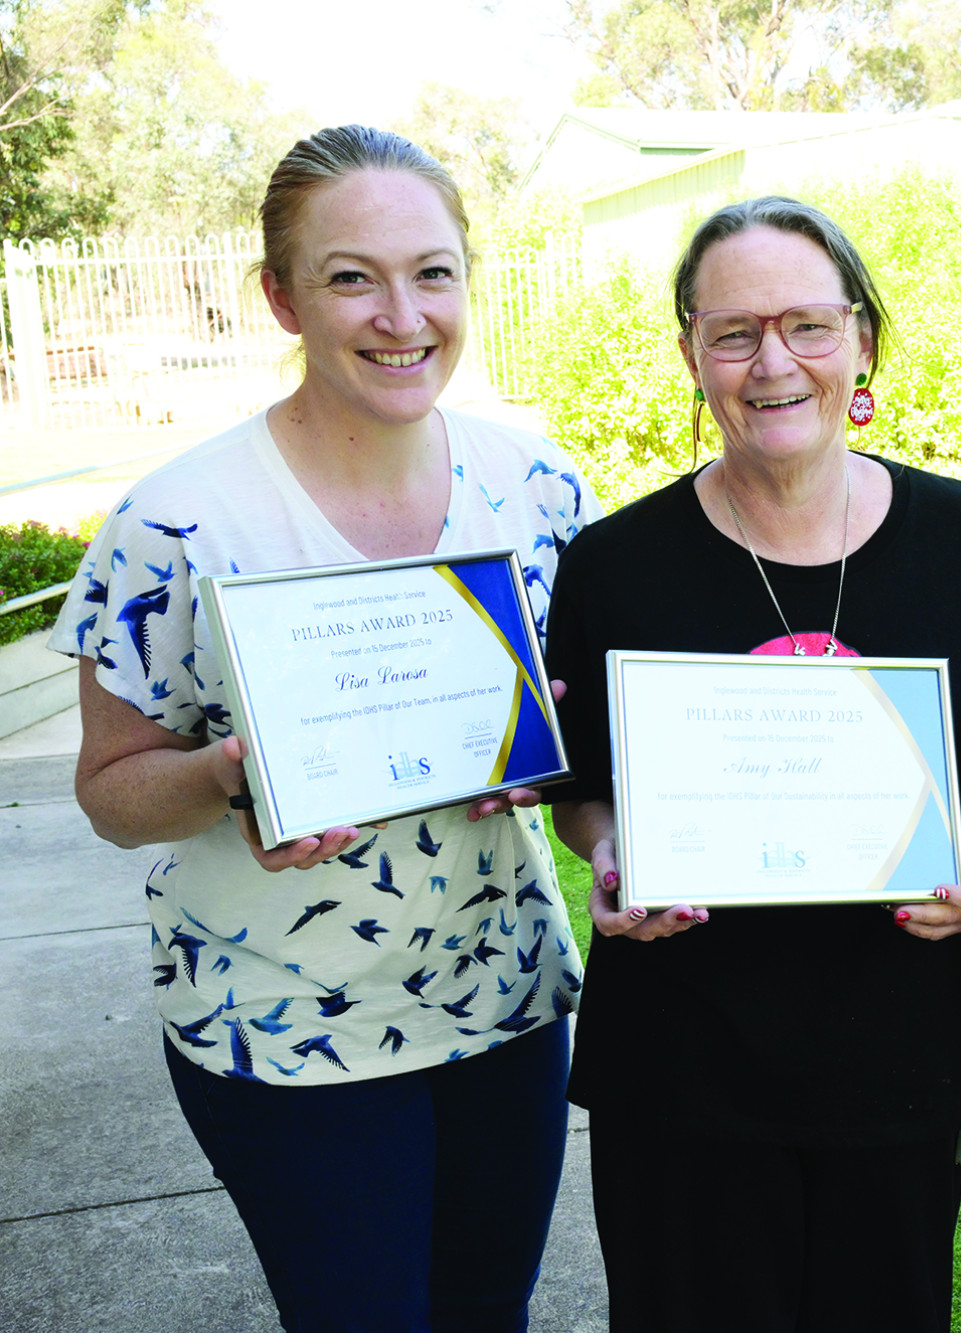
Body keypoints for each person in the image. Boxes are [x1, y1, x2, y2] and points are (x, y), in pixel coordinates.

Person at [51, 125, 599, 1331]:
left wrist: (554, 757)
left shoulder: (540, 490)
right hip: (282, 1018)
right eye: (352, 277)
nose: (402, 316)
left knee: (487, 1313)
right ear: (281, 297)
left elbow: (582, 734)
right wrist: (226, 777)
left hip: (500, 998)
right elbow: (109, 790)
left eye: (433, 272)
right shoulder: (177, 522)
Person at [541, 195, 961, 1332]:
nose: (773, 362)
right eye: (734, 332)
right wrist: (611, 857)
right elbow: (582, 790)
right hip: (683, 1065)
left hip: (901, 1050)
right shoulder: (615, 563)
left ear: (861, 339)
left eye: (808, 324)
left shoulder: (959, 533)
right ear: (691, 355)